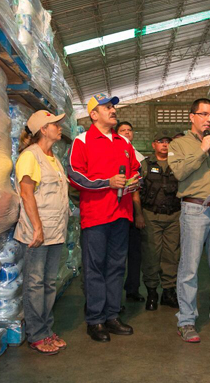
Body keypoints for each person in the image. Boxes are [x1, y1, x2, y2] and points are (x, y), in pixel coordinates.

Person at [67, 93, 141, 342]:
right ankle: (95, 320)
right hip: (97, 215)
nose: (112, 110)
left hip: (122, 213)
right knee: (95, 268)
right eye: (107, 107)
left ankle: (112, 315)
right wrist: (107, 183)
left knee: (117, 266)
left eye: (113, 107)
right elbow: (76, 176)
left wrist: (133, 182)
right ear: (93, 114)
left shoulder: (124, 142)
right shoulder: (82, 140)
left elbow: (136, 172)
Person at [168, 98, 210, 343]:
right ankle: (186, 320)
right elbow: (179, 172)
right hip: (194, 210)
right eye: (203, 114)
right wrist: (201, 150)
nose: (209, 119)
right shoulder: (179, 144)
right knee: (189, 267)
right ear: (192, 116)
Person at [14, 110, 70, 355]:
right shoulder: (30, 157)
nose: (59, 126)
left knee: (49, 283)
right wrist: (37, 227)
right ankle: (36, 335)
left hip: (55, 231)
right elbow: (27, 194)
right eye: (54, 124)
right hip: (38, 232)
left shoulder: (53, 158)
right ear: (42, 129)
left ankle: (47, 330)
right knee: (35, 284)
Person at [138, 130, 181, 311]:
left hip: (174, 216)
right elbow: (136, 190)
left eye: (168, 141)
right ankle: (152, 292)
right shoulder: (145, 165)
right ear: (153, 144)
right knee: (151, 254)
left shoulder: (179, 164)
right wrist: (138, 214)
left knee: (171, 254)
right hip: (150, 215)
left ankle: (169, 292)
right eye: (161, 141)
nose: (164, 144)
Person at [115, 121, 145, 303]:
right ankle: (115, 297)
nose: (126, 133)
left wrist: (139, 213)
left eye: (129, 130)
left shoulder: (139, 158)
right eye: (122, 130)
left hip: (133, 210)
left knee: (135, 254)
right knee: (117, 257)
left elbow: (138, 188)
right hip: (117, 210)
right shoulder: (115, 153)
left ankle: (132, 289)